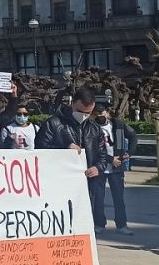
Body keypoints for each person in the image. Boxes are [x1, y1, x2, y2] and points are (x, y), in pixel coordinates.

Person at [37, 87, 110, 231]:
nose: (83, 115)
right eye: (80, 111)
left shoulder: (95, 128)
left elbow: (102, 154)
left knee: (83, 225)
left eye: (88, 113)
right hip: (59, 185)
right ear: (73, 103)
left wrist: (98, 168)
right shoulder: (53, 124)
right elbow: (40, 150)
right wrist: (64, 150)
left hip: (86, 186)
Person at [94, 105, 138, 236]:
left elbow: (133, 136)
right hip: (100, 166)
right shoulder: (91, 127)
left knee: (118, 198)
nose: (99, 116)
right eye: (96, 114)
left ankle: (122, 225)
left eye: (101, 113)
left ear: (107, 112)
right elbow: (93, 148)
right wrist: (109, 159)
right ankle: (99, 224)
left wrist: (129, 152)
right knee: (98, 198)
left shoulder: (118, 125)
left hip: (117, 167)